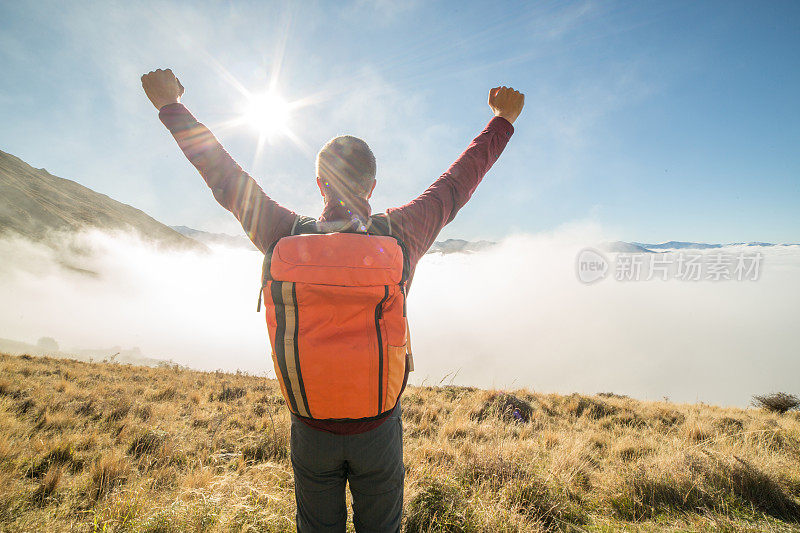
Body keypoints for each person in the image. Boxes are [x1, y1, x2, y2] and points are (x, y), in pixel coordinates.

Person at [141, 68, 523, 532]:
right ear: (372, 187)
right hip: (378, 425)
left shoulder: (284, 233)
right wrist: (501, 120)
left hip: (310, 423)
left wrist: (171, 107)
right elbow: (457, 182)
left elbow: (224, 175)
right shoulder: (401, 233)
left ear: (320, 185)